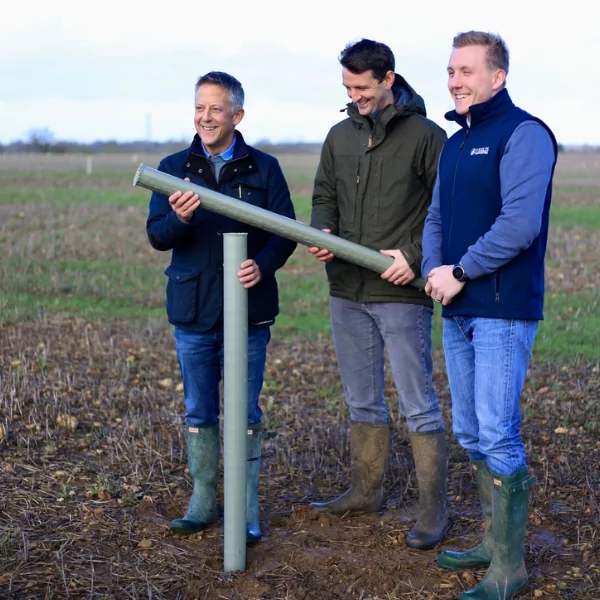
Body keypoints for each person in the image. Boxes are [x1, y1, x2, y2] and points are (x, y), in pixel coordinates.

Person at [422, 31, 557, 599]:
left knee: (499, 435)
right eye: (451, 71)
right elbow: (435, 217)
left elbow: (519, 224)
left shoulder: (524, 134)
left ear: (497, 77)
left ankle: (510, 570)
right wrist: (434, 268)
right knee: (472, 432)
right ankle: (489, 544)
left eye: (467, 71)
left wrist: (461, 270)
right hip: (456, 307)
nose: (455, 80)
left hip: (501, 310)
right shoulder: (456, 143)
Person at [307, 38, 449, 550]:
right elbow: (324, 195)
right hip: (346, 287)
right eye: (347, 86)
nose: (354, 96)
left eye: (362, 87)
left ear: (388, 79)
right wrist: (321, 230)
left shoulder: (428, 136)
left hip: (400, 291)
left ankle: (434, 510)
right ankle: (365, 492)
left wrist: (412, 255)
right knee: (361, 398)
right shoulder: (338, 136)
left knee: (419, 404)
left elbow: (446, 208)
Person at [146, 71, 297, 543]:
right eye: (199, 108)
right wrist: (179, 217)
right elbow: (156, 236)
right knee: (198, 410)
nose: (205, 117)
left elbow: (286, 232)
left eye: (215, 108)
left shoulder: (264, 167)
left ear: (237, 114)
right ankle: (203, 499)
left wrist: (263, 265)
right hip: (193, 311)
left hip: (249, 312)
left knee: (246, 414)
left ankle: (246, 506)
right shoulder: (172, 167)